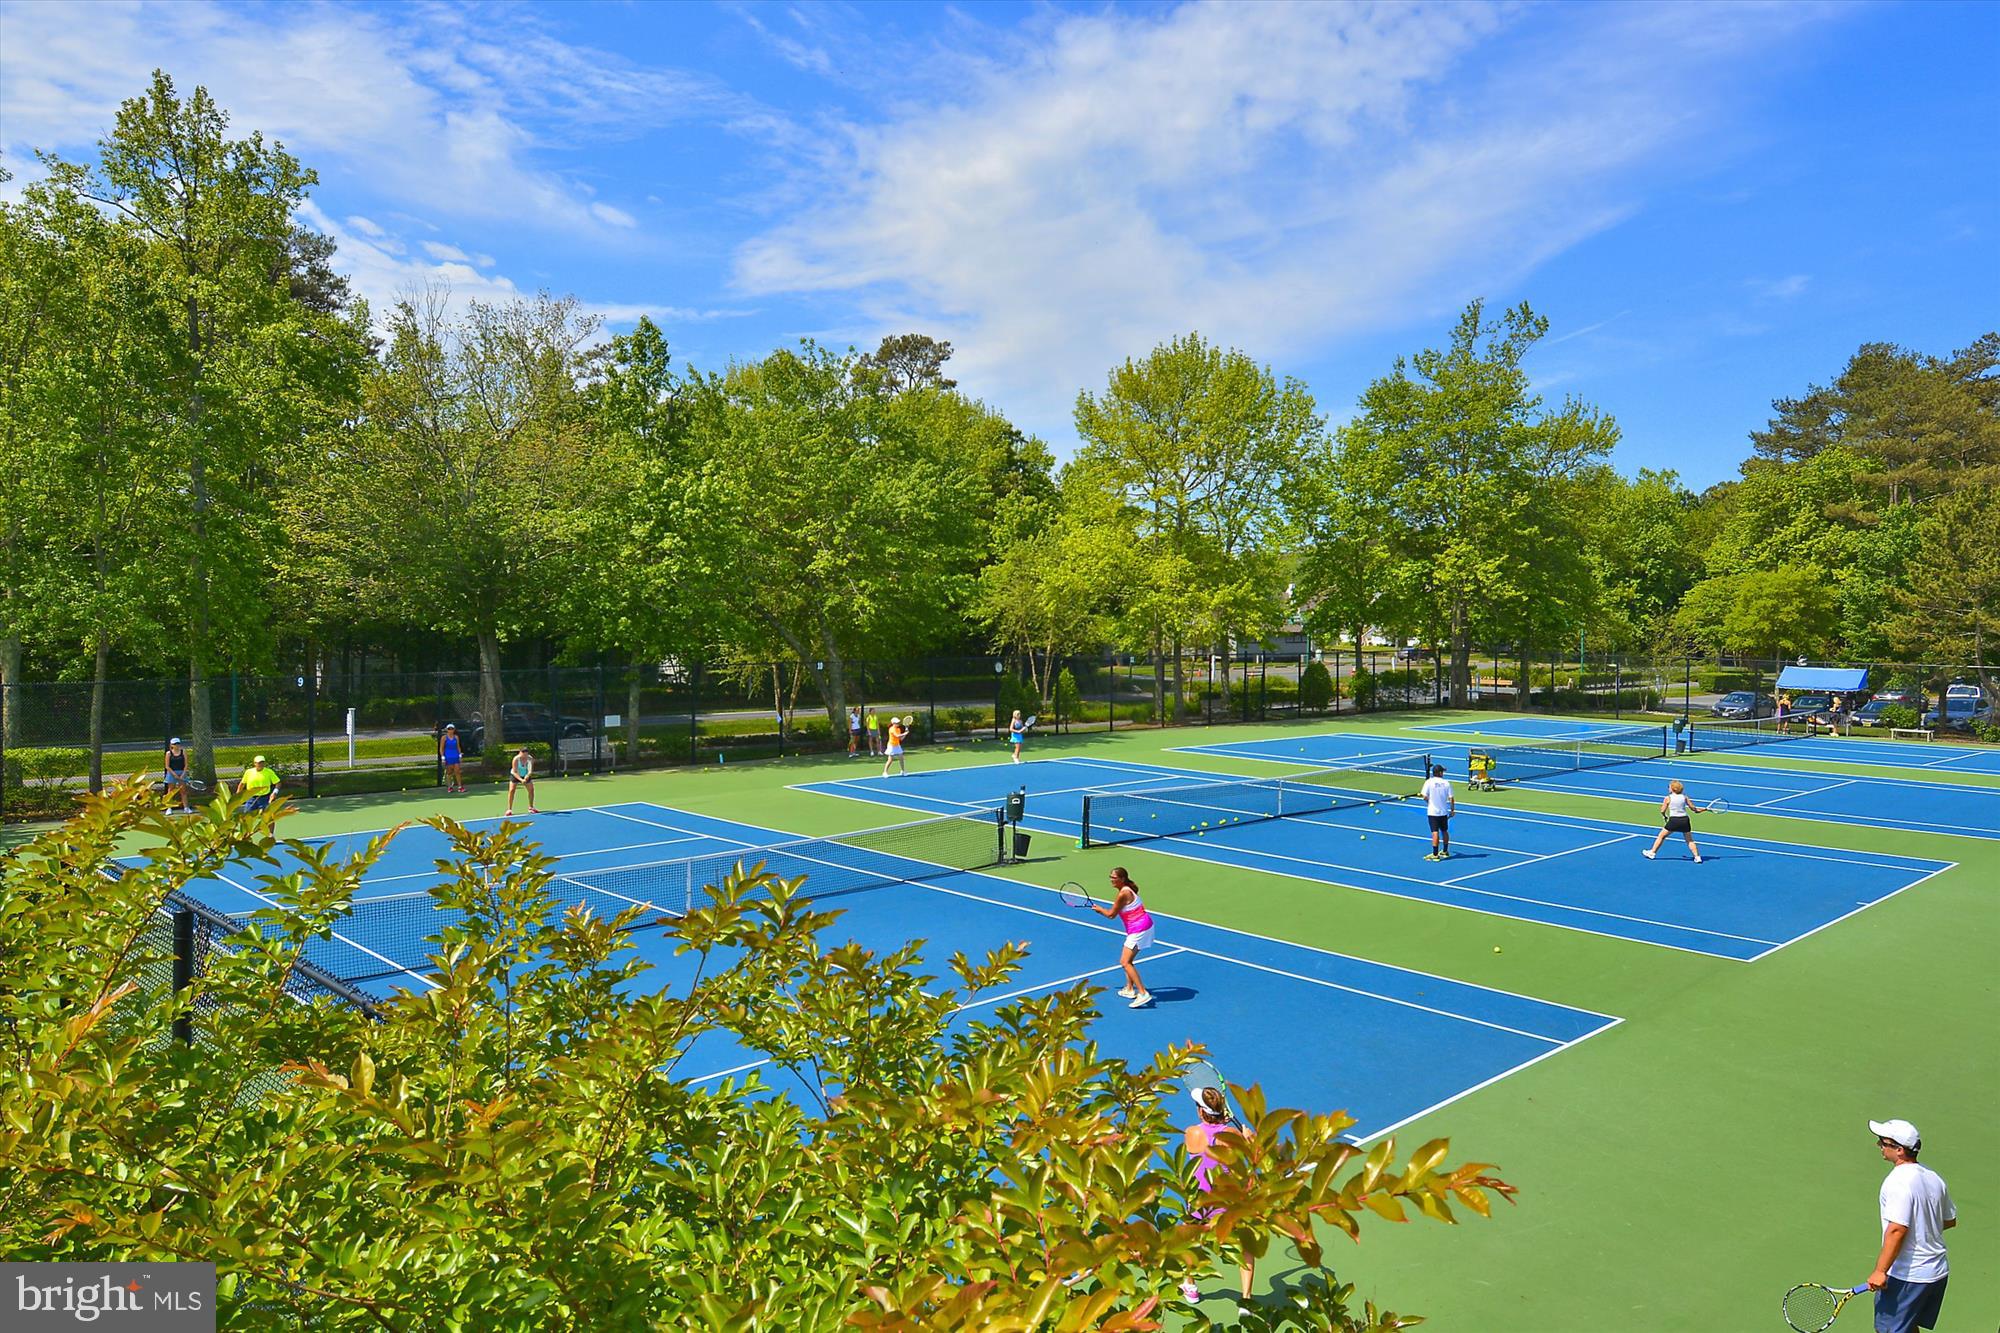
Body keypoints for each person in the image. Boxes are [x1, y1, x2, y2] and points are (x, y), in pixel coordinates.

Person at [1866, 1118, 1955, 1333]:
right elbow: (1949, 1220)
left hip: (1908, 1277)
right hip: (1936, 1273)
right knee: (1908, 1325)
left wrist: (1880, 1270)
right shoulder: (1934, 1178)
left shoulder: (1897, 1182)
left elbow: (1897, 1229)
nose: (1879, 1145)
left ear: (1899, 1150)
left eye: (1883, 1142)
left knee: (1888, 1330)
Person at [1179, 1085, 1254, 1302]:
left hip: (1199, 1203)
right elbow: (1257, 1151)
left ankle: (1190, 1286)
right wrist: (1247, 1136)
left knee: (1189, 1240)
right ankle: (1246, 1300)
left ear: (1202, 1112)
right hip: (1227, 1203)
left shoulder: (1191, 1132)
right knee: (1245, 1247)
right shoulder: (1232, 1136)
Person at [1085, 866, 1154, 1008]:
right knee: (1129, 960)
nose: (1111, 880)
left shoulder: (1123, 893)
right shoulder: (1129, 889)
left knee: (1124, 962)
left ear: (1122, 879)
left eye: (1114, 877)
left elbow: (1111, 915)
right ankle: (1129, 989)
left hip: (1139, 929)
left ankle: (1142, 993)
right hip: (1144, 926)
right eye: (1110, 877)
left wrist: (1099, 910)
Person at [1643, 778, 1704, 862]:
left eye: (1669, 787)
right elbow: (1694, 809)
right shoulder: (1684, 797)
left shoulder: (1668, 798)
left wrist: (1664, 815)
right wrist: (1703, 809)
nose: (1668, 788)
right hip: (1685, 820)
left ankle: (1652, 853)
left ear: (1672, 789)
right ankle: (1697, 857)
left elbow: (1662, 810)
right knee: (1689, 840)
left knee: (1661, 836)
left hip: (1674, 820)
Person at [1420, 763, 1454, 861]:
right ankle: (1445, 851)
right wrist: (1452, 810)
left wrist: (1429, 802)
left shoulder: (1428, 782)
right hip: (1443, 812)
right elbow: (1451, 798)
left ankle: (1435, 855)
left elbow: (1424, 796)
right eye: (1442, 771)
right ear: (1439, 772)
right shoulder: (1447, 783)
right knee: (1444, 831)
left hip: (1433, 812)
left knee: (1435, 832)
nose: (1443, 773)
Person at [505, 746, 539, 816]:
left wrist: (527, 775)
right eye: (523, 754)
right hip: (515, 775)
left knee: (531, 790)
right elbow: (514, 772)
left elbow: (530, 770)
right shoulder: (516, 759)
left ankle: (531, 807)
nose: (525, 756)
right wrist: (521, 779)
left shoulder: (530, 759)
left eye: (526, 754)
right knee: (512, 790)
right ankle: (509, 809)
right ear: (520, 753)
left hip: (525, 775)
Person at [162, 737, 193, 813]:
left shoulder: (183, 752)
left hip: (182, 772)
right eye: (175, 744)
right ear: (171, 745)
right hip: (171, 773)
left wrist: (183, 774)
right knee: (171, 791)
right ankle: (169, 808)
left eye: (178, 743)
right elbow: (167, 766)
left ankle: (186, 808)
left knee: (183, 790)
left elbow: (186, 764)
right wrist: (174, 775)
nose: (177, 745)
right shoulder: (168, 753)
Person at [439, 723, 465, 793]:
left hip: (455, 755)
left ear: (454, 730)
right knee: (449, 772)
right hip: (448, 756)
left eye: (452, 729)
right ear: (447, 730)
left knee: (457, 771)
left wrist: (460, 755)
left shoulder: (456, 737)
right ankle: (450, 787)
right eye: (449, 729)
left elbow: (458, 747)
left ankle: (460, 787)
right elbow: (441, 748)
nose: (450, 730)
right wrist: (443, 757)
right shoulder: (444, 738)